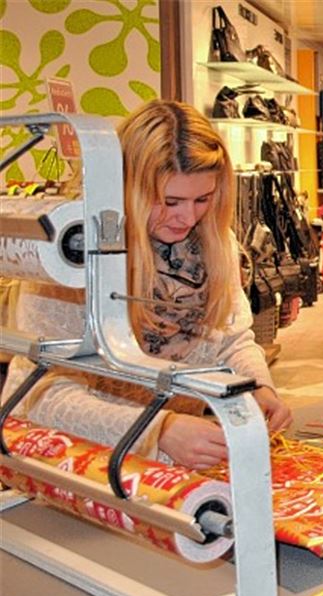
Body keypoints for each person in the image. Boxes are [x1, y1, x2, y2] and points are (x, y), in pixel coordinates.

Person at [1, 100, 291, 470]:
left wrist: (257, 388)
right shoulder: (75, 257)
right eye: (170, 201)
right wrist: (157, 429)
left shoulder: (215, 245)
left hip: (165, 469)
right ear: (128, 189)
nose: (187, 217)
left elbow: (232, 339)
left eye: (202, 199)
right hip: (69, 464)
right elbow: (43, 395)